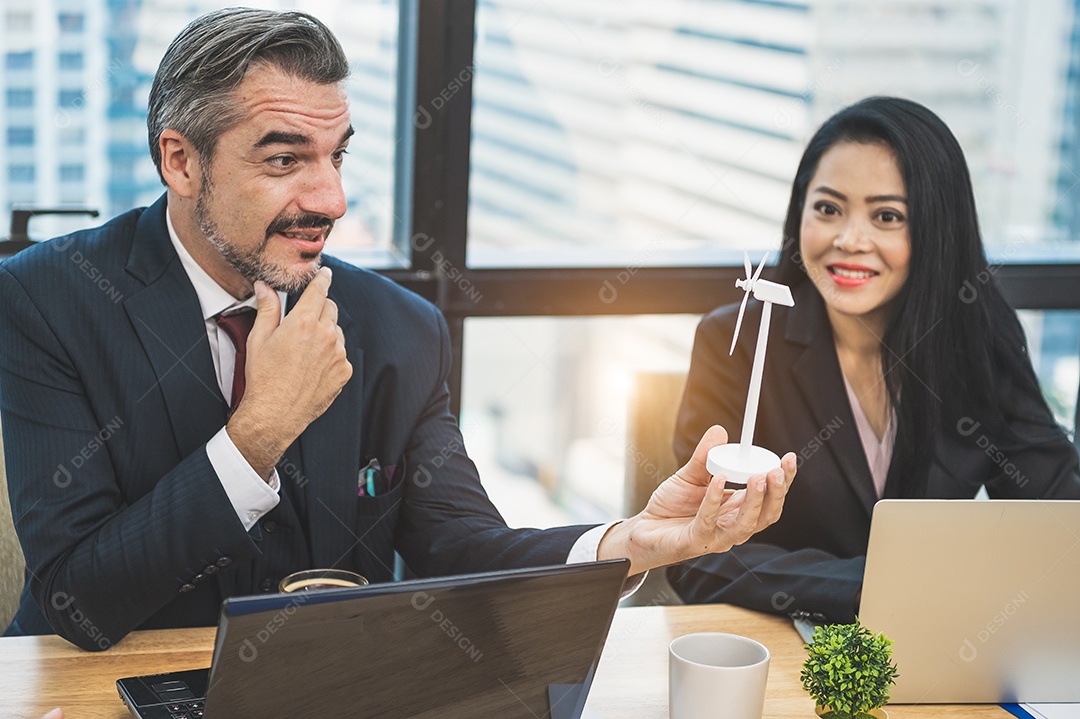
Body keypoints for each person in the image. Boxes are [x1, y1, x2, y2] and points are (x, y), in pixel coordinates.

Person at [0, 8, 795, 651]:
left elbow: (464, 552)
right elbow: (83, 603)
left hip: (332, 691)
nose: (330, 200)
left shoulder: (399, 330)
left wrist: (633, 542)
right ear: (180, 162)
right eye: (284, 161)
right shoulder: (48, 301)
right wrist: (261, 431)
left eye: (336, 156)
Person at [668, 96, 1080, 622]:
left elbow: (1059, 523)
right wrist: (882, 586)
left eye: (887, 216)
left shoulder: (978, 341)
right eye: (828, 208)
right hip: (785, 650)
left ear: (936, 229)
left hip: (936, 652)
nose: (849, 240)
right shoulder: (739, 340)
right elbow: (699, 558)